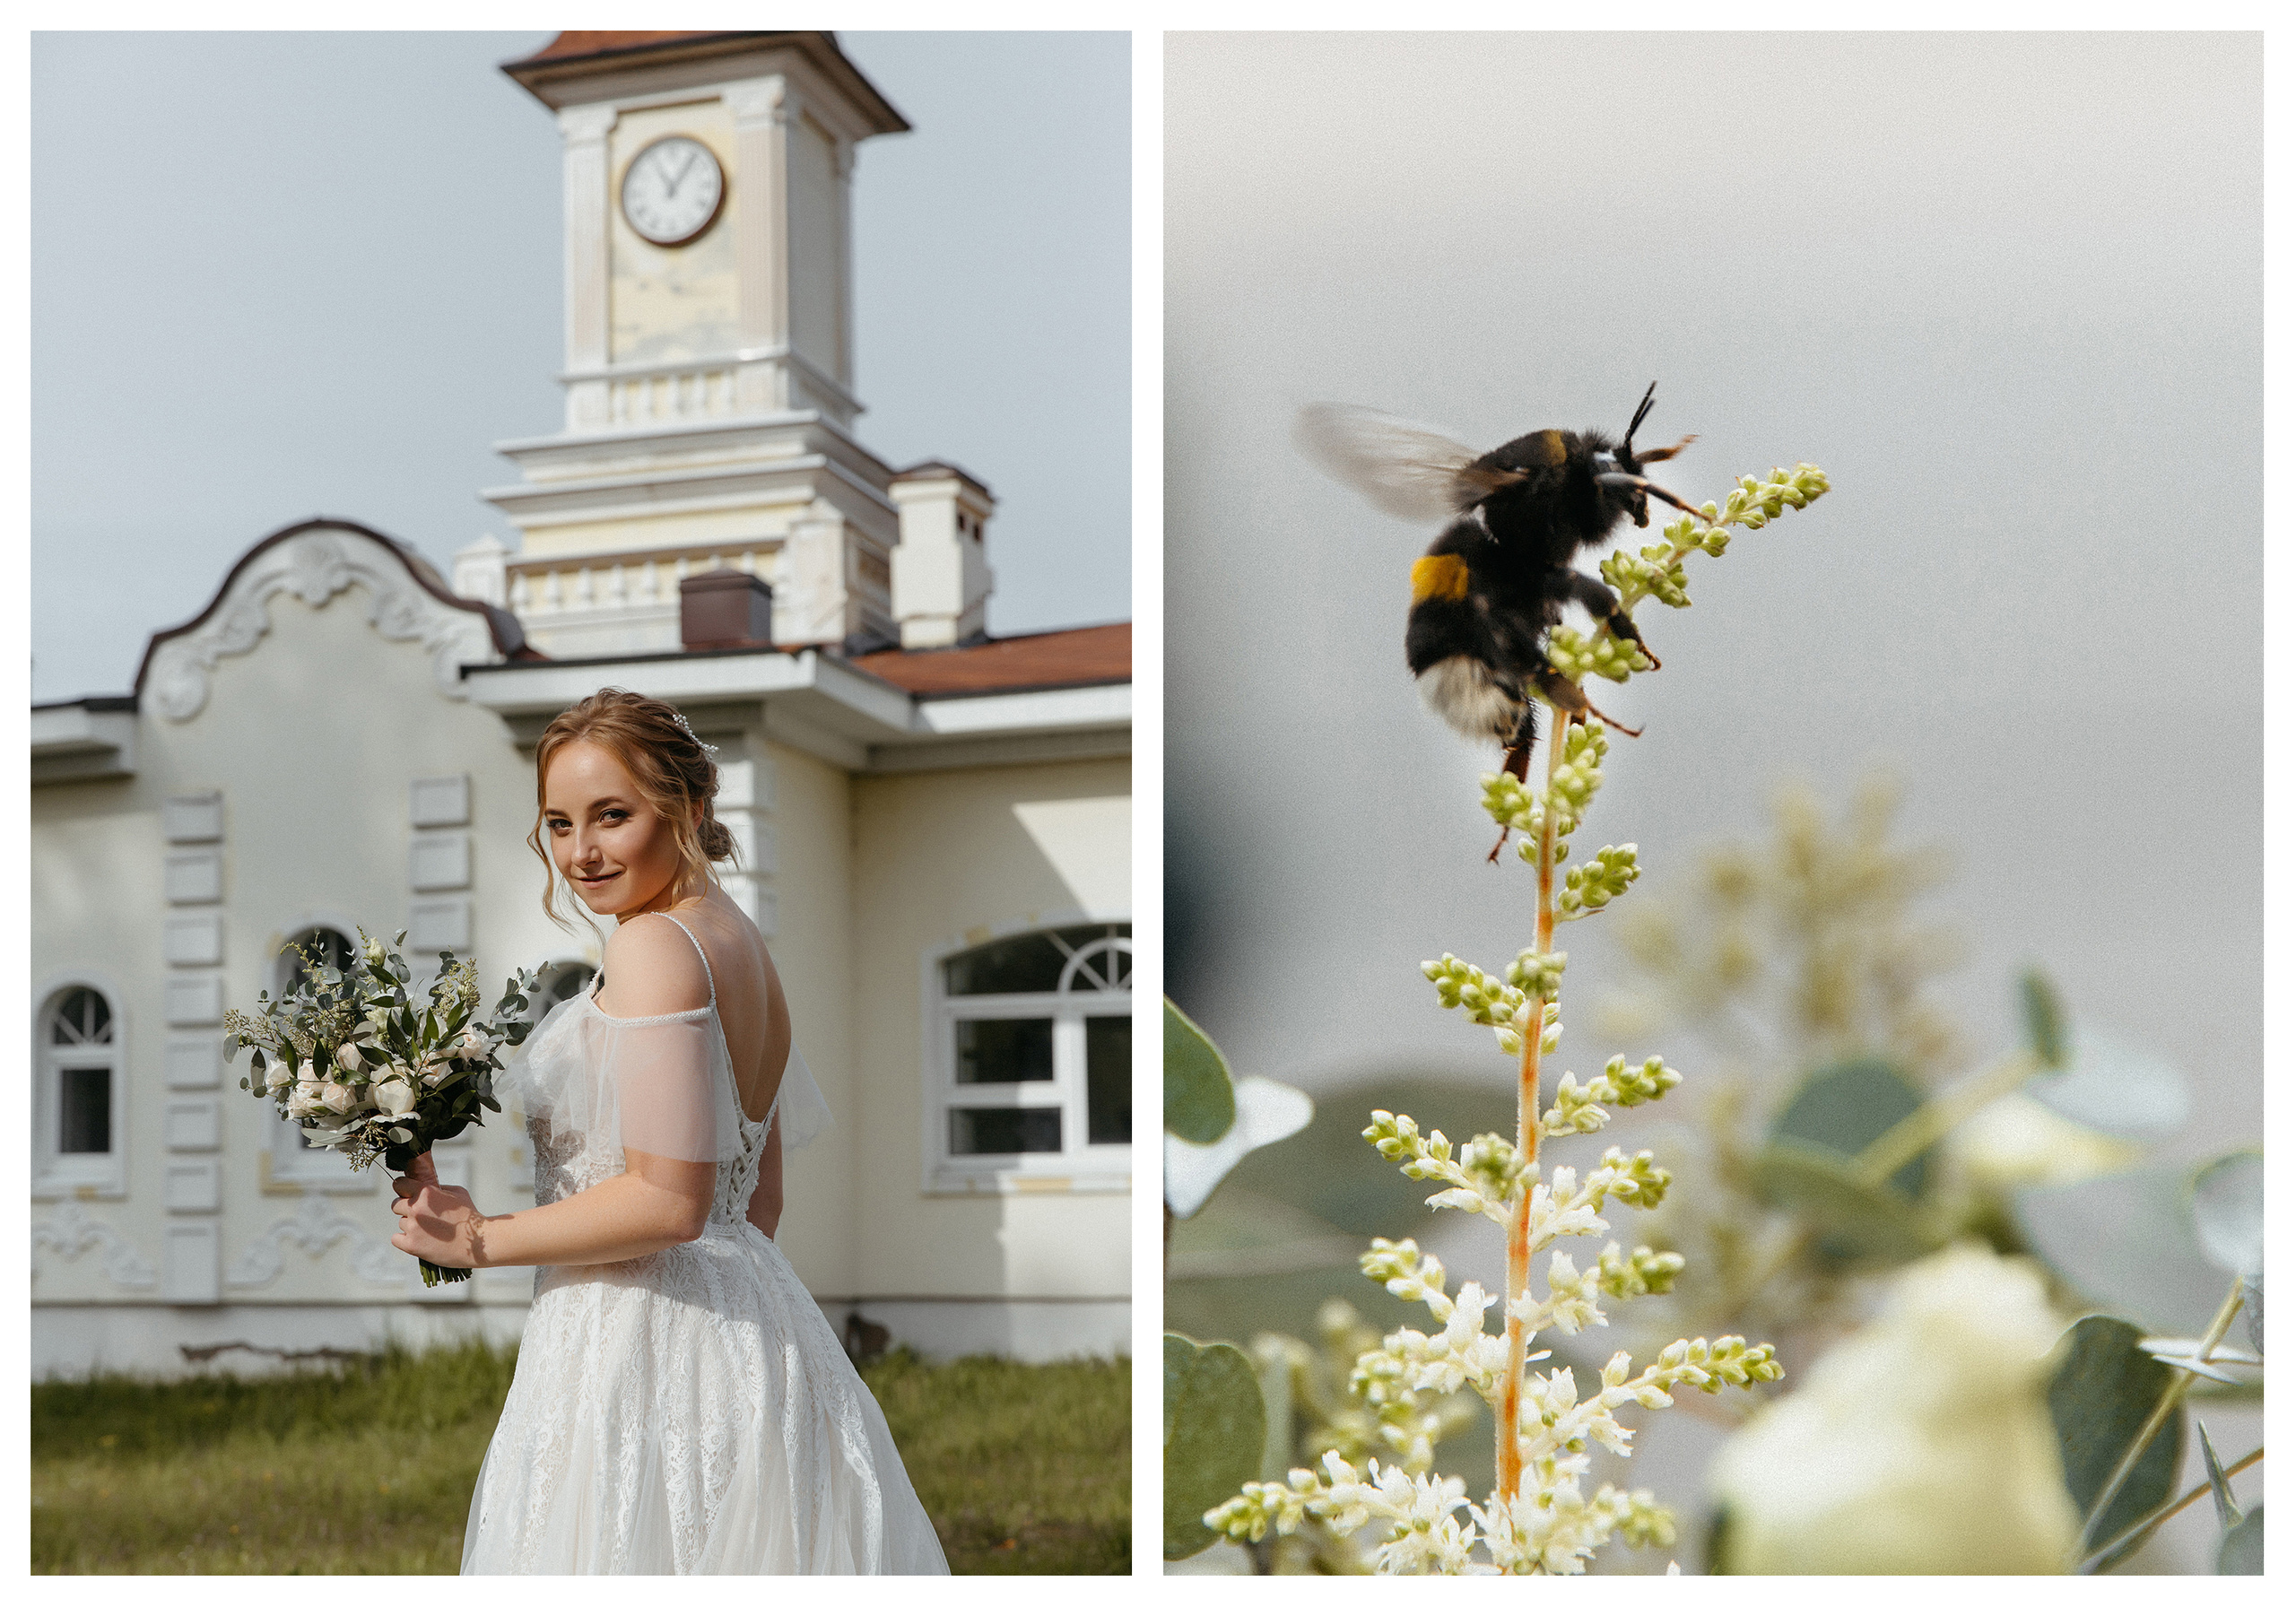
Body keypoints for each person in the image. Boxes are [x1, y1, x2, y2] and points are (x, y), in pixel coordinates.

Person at [389, 687, 949, 1575]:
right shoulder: (740, 942)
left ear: (689, 806)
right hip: (754, 1323)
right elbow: (752, 1199)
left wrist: (479, 1239)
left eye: (612, 815)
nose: (581, 851)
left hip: (639, 1337)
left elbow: (669, 1199)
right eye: (559, 823)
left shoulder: (651, 947)